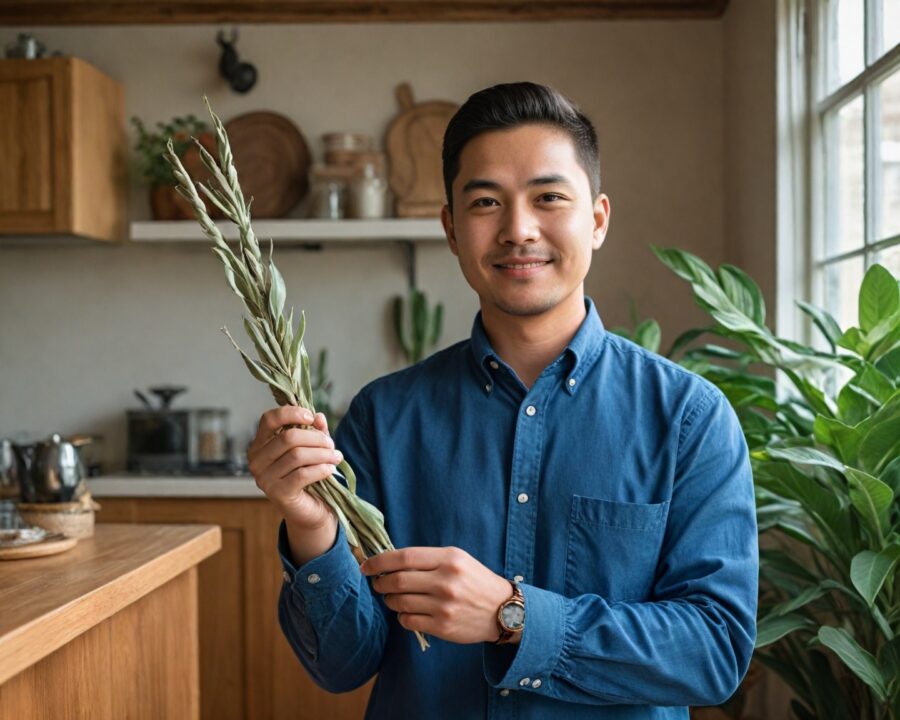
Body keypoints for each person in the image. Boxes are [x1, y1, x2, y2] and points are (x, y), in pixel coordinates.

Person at [248, 82, 758, 719]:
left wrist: (511, 616)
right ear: (452, 230)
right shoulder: (383, 418)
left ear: (597, 220)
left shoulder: (689, 418)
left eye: (548, 198)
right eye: (486, 202)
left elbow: (713, 653)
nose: (519, 229)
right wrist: (311, 524)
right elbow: (343, 665)